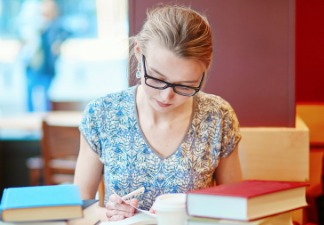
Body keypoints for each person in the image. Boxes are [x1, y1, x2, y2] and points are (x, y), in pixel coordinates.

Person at [74, 5, 243, 222]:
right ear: (138, 53)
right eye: (156, 78)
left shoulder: (219, 117)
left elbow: (237, 207)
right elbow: (78, 209)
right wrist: (109, 213)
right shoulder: (102, 114)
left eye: (185, 85)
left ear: (203, 72)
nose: (166, 97)